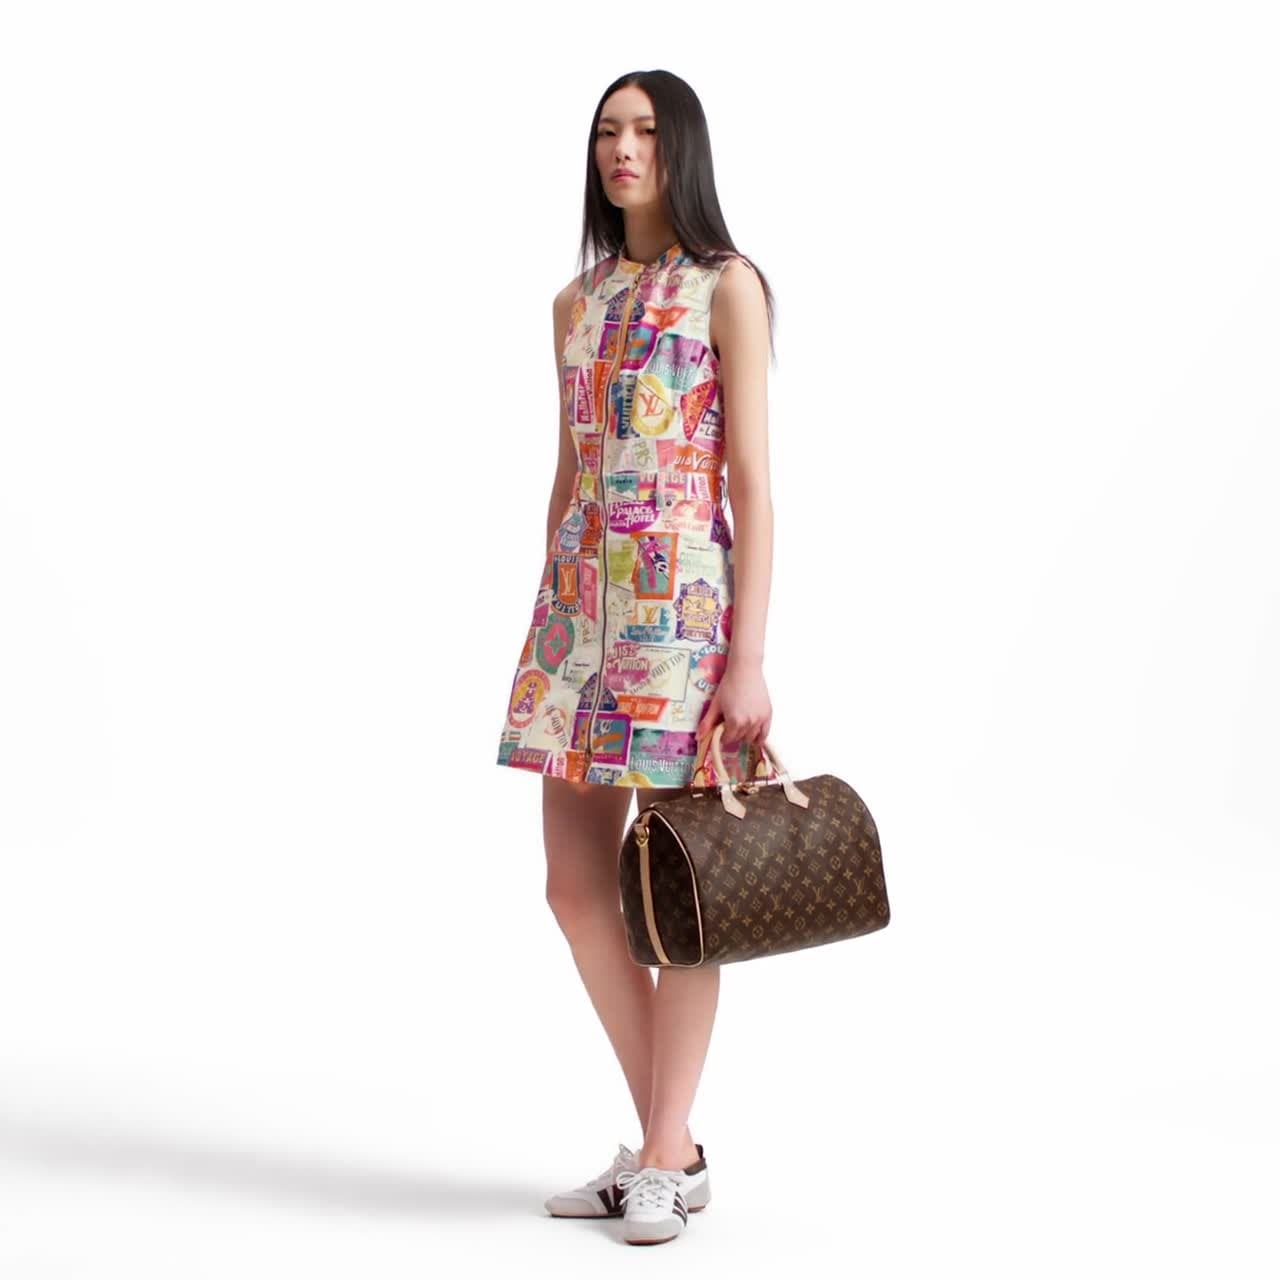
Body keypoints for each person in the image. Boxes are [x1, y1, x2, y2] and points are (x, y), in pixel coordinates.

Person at [494, 68, 778, 1246]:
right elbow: (568, 473)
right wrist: (545, 614)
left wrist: (746, 657)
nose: (622, 148)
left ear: (681, 148)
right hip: (576, 624)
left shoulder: (727, 285)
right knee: (573, 887)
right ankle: (673, 1144)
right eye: (607, 130)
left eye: (646, 130)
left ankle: (662, 1151)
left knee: (678, 895)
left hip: (681, 628)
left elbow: (751, 481)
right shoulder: (573, 302)